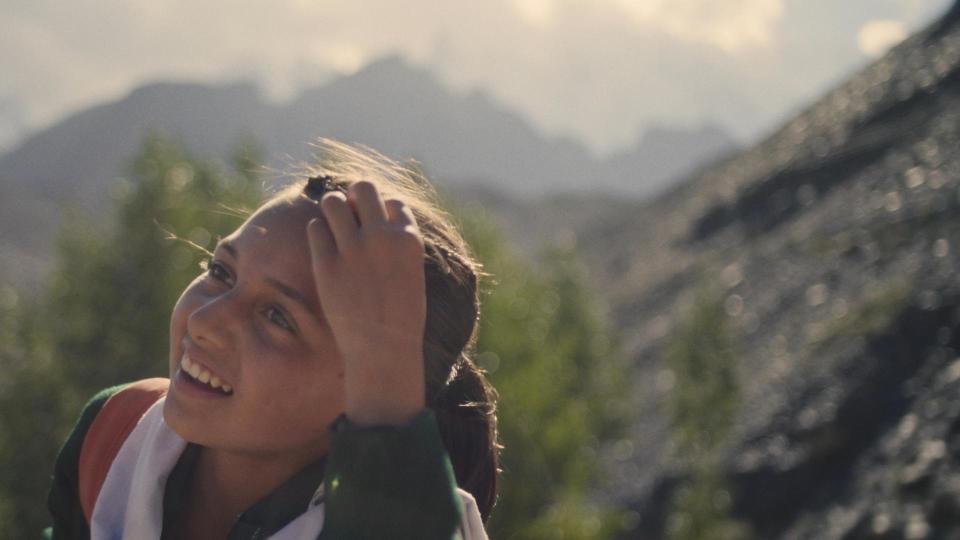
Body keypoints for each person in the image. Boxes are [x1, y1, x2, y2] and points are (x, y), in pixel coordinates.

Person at [45, 141, 499, 539]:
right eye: (220, 271)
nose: (205, 320)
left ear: (375, 381)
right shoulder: (113, 436)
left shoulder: (406, 523)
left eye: (278, 317)